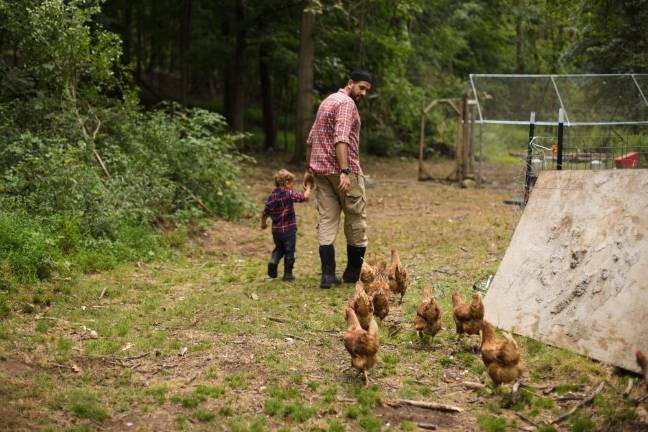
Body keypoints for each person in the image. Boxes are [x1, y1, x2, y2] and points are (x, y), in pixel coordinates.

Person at [303, 70, 372, 288]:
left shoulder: (327, 101)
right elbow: (341, 138)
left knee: (327, 219)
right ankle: (352, 274)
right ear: (350, 83)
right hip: (344, 172)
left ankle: (327, 275)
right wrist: (344, 170)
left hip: (322, 173)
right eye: (361, 87)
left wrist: (308, 169)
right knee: (356, 219)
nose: (363, 93)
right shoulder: (346, 104)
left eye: (367, 90)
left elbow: (311, 138)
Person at [261, 169, 312, 281]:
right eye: (292, 183)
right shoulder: (289, 194)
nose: (293, 185)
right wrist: (308, 188)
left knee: (279, 249)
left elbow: (265, 213)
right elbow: (304, 197)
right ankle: (288, 274)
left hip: (276, 231)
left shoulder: (271, 196)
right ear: (286, 182)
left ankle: (273, 261)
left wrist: (263, 224)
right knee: (289, 251)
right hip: (289, 230)